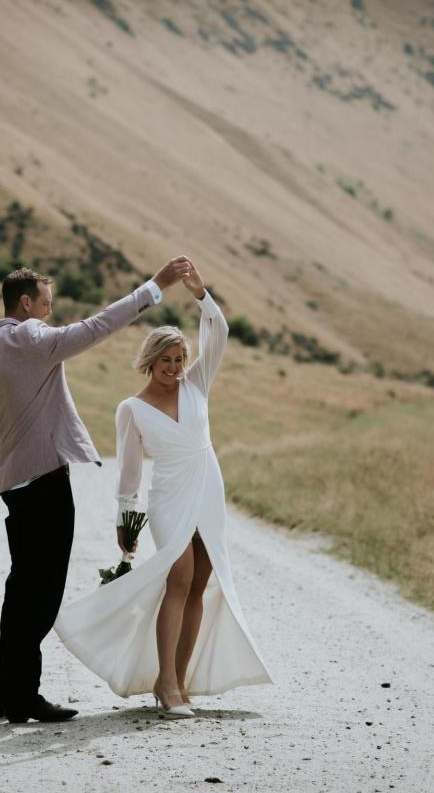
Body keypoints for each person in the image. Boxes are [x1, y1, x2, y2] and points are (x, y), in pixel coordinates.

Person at [0, 257, 193, 723]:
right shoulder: (30, 337)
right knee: (42, 593)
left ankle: (9, 695)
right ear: (25, 303)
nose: (50, 310)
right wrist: (154, 287)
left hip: (15, 489)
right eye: (45, 302)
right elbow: (95, 327)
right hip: (46, 481)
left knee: (21, 588)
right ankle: (24, 697)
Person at [53, 259, 273, 718]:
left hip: (208, 487)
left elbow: (221, 333)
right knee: (178, 578)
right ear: (149, 363)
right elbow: (129, 472)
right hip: (169, 495)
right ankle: (165, 683)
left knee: (201, 584)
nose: (174, 368)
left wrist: (200, 293)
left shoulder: (198, 385)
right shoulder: (130, 409)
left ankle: (179, 678)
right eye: (165, 361)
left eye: (179, 360)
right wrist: (125, 518)